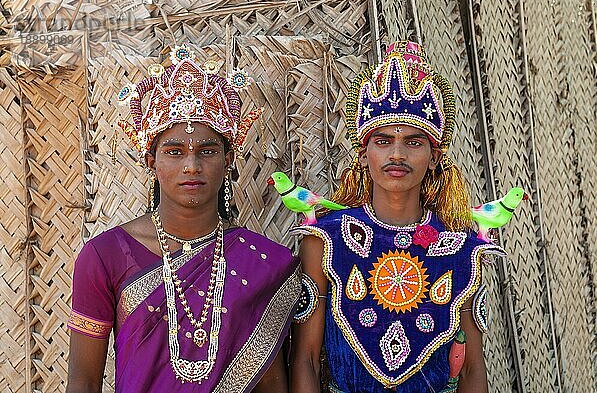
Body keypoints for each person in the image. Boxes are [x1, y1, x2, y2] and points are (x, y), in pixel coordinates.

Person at [66, 45, 301, 393]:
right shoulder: (104, 257)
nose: (192, 166)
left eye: (207, 151)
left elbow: (272, 384)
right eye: (174, 152)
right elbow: (83, 382)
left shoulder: (264, 263)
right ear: (151, 161)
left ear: (228, 159)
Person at [289, 41, 506, 393]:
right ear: (363, 154)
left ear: (434, 157)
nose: (397, 154)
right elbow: (305, 360)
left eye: (414, 143)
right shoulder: (325, 241)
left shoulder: (464, 248)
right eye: (384, 140)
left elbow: (472, 370)